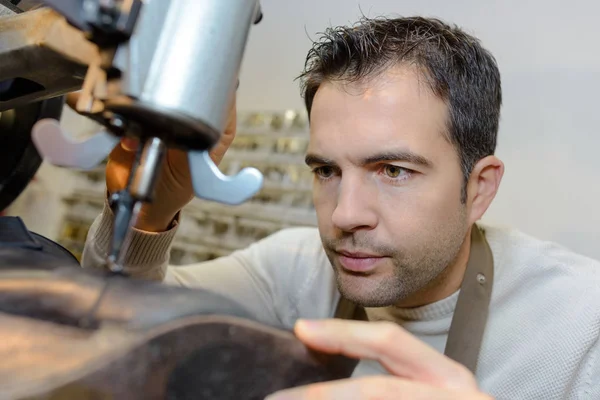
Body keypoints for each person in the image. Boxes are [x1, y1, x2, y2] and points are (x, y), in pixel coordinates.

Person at [80, 15, 600, 399]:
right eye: (327, 171)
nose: (345, 214)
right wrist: (150, 214)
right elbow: (115, 324)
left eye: (393, 171)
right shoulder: (294, 269)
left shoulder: (581, 328)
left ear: (480, 188)